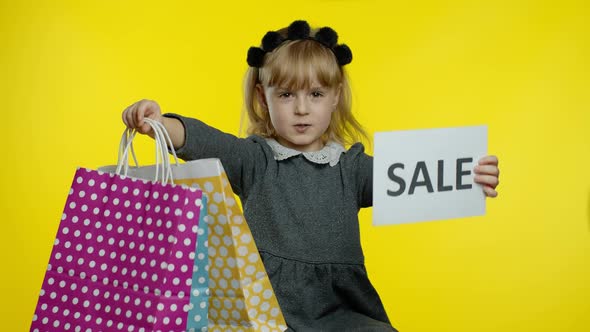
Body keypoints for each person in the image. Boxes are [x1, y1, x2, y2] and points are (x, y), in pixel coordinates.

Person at [122, 20, 500, 331]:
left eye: (316, 94)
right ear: (262, 98)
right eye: (286, 95)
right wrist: (157, 122)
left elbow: (418, 177)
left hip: (341, 309)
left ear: (335, 97)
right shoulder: (254, 159)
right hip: (266, 310)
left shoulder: (351, 168)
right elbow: (202, 141)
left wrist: (471, 174)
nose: (302, 109)